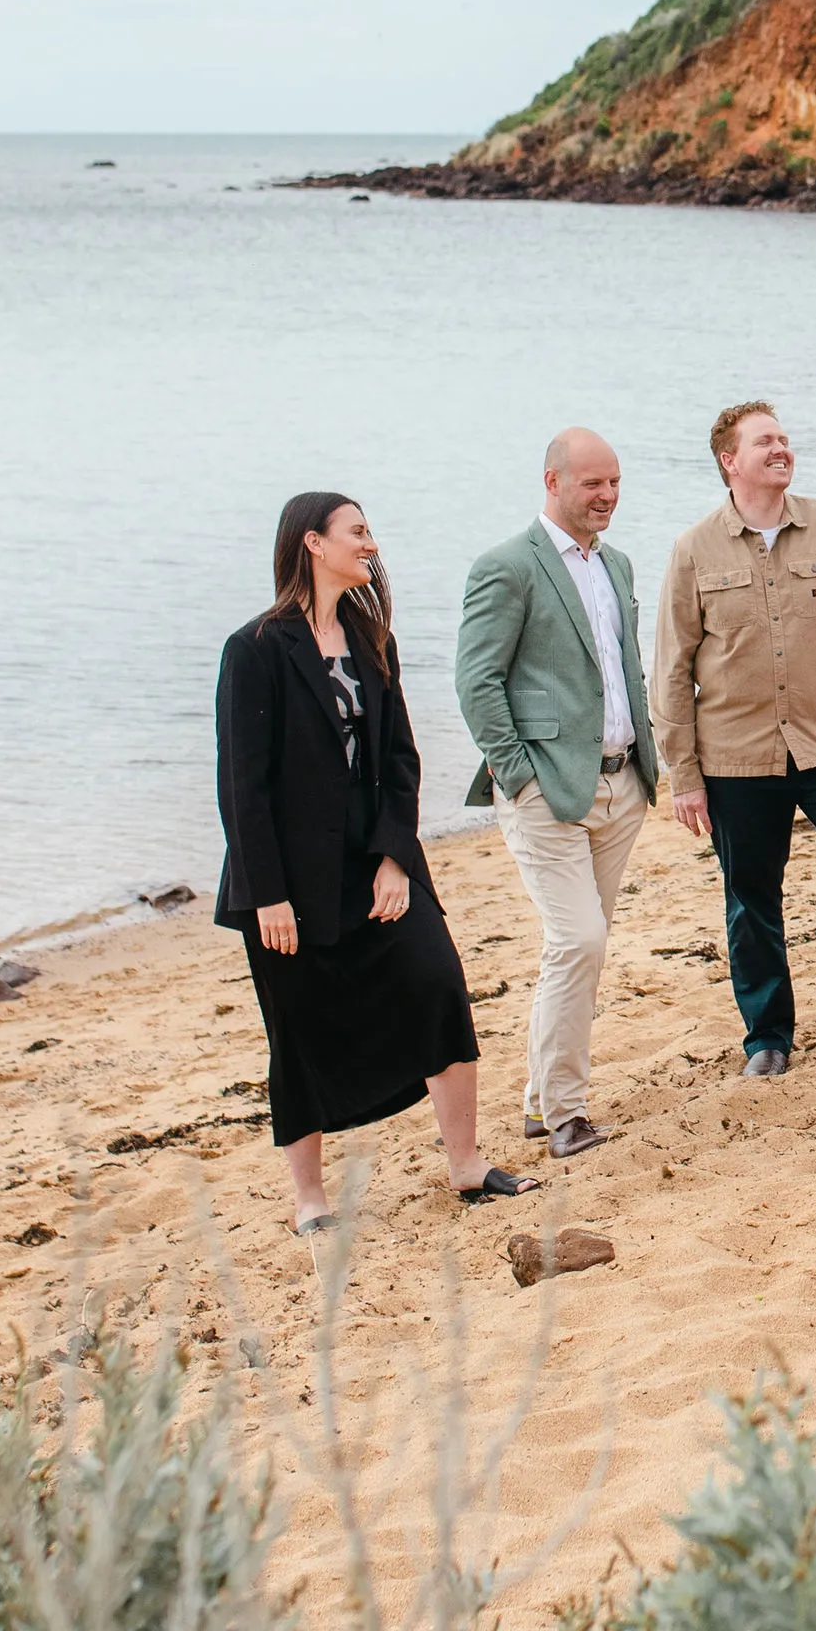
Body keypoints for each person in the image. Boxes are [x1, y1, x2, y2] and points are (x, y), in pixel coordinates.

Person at [214, 490, 520, 1231]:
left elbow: (400, 759)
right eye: (357, 532)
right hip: (287, 882)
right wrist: (270, 896)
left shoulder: (370, 639)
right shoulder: (254, 649)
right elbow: (241, 786)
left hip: (376, 863)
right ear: (312, 544)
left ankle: (466, 1165)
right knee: (297, 1031)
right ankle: (311, 1202)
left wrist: (394, 859)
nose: (371, 544)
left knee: (439, 982)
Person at [652, 402, 816, 1076]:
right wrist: (684, 777)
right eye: (763, 441)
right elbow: (671, 670)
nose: (780, 448)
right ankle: (768, 1038)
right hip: (734, 756)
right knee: (752, 898)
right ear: (729, 460)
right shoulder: (694, 549)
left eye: (783, 438)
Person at [456, 427, 656, 1162]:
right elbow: (476, 681)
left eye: (614, 484)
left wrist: (646, 762)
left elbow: (624, 669)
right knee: (580, 941)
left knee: (577, 952)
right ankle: (567, 1112)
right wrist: (519, 773)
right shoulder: (507, 568)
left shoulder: (621, 566)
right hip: (545, 790)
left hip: (622, 783)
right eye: (591, 484)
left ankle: (542, 1103)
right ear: (552, 481)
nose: (606, 496)